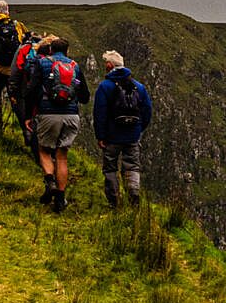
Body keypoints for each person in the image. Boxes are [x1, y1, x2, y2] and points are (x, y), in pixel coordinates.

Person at [34, 36, 90, 213]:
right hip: (71, 115)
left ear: (50, 50)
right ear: (67, 51)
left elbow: (32, 89)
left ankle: (49, 181)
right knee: (62, 156)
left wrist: (31, 112)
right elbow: (85, 96)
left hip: (48, 114)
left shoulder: (43, 64)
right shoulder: (75, 67)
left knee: (43, 150)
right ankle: (60, 199)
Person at [93, 50, 152, 209]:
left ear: (110, 65)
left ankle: (114, 201)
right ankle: (133, 193)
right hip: (132, 136)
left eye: (106, 63)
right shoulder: (139, 87)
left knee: (110, 168)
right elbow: (147, 111)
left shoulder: (105, 86)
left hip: (111, 137)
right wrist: (138, 129)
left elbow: (100, 113)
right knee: (132, 166)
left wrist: (100, 135)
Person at [0, 1, 27, 137]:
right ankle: (27, 131)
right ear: (7, 11)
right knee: (18, 100)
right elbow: (26, 43)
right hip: (16, 71)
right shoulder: (17, 25)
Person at [9, 28, 46, 166]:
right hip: (44, 93)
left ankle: (37, 156)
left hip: (24, 91)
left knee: (28, 121)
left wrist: (12, 92)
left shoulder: (23, 49)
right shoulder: (46, 48)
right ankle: (48, 157)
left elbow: (16, 71)